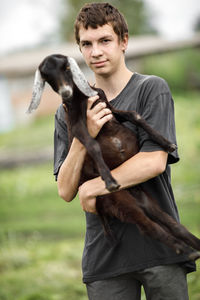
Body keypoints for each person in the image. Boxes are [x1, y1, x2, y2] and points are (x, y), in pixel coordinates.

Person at [54, 2, 196, 299]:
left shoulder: (150, 89)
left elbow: (154, 161)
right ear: (79, 48)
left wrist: (93, 186)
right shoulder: (68, 110)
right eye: (87, 44)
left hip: (162, 249)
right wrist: (84, 136)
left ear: (124, 41)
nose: (96, 52)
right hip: (105, 259)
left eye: (105, 40)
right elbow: (66, 190)